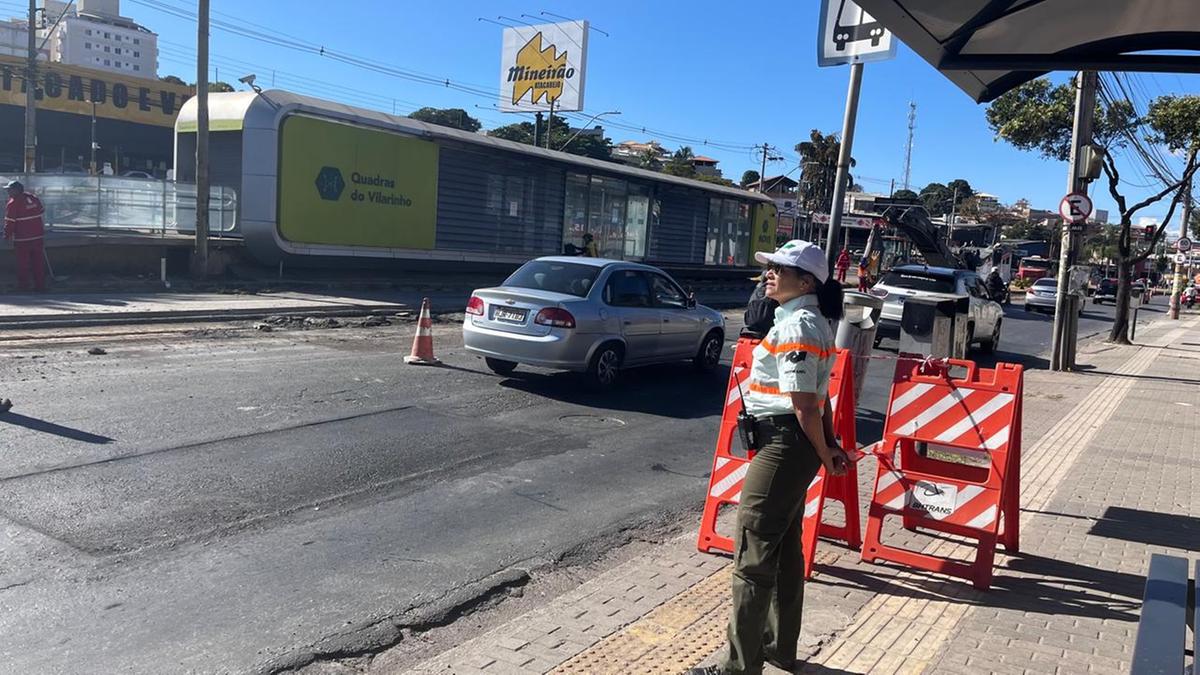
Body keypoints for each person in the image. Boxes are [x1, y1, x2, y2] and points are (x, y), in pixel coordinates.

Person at [688, 239, 851, 675]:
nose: (769, 274)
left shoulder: (798, 325)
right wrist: (829, 448)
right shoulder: (806, 320)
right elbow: (820, 397)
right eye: (770, 267)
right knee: (783, 549)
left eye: (779, 268)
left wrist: (824, 449)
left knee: (752, 553)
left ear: (805, 281)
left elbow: (804, 405)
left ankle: (738, 667)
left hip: (783, 443)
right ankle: (778, 648)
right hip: (792, 444)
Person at [3, 180, 47, 292]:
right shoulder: (33, 198)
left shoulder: (13, 203)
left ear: (17, 190)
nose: (8, 192)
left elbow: (10, 223)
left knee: (23, 264)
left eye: (10, 190)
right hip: (38, 237)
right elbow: (41, 212)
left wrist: (6, 236)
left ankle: (24, 286)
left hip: (23, 239)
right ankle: (40, 285)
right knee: (38, 263)